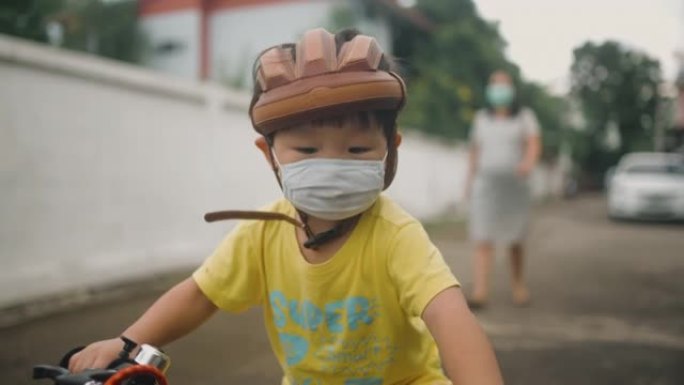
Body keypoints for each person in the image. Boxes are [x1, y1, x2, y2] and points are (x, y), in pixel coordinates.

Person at [69, 28, 503, 385]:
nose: (331, 166)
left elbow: (450, 318)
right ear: (268, 154)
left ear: (391, 150)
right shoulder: (263, 233)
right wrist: (127, 344)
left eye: (356, 148)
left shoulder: (395, 235)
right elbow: (201, 294)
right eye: (308, 149)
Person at [464, 70, 542, 308]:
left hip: (514, 187)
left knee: (515, 238)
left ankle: (518, 286)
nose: (499, 89)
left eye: (503, 84)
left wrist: (528, 163)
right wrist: (469, 180)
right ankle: (480, 291)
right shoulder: (480, 119)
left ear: (512, 89)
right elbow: (475, 151)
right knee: (482, 237)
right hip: (486, 186)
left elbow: (533, 143)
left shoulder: (525, 117)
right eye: (495, 84)